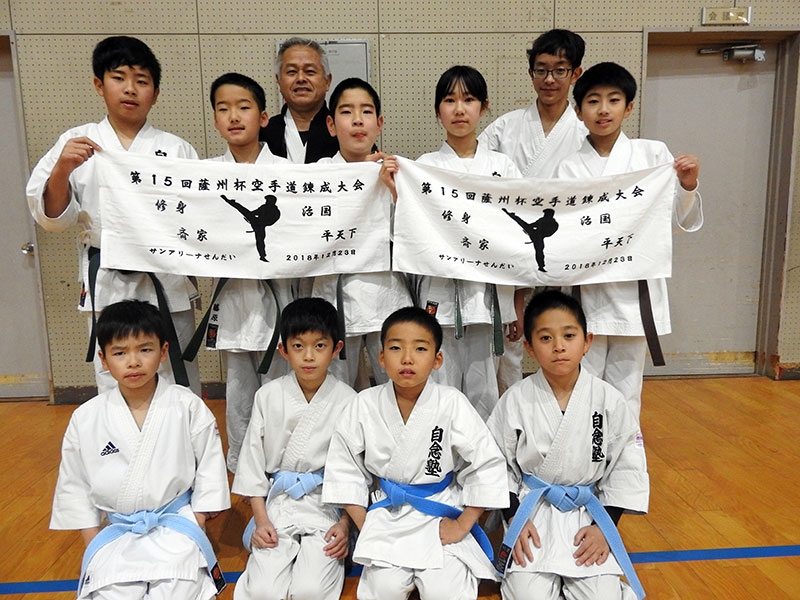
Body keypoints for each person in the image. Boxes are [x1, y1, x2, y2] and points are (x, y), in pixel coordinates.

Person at [26, 35, 201, 395]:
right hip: (108, 279)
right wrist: (61, 170)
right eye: (119, 78)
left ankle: (179, 448)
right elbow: (53, 219)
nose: (130, 89)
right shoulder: (76, 142)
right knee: (114, 377)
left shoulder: (176, 149)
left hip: (165, 278)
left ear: (155, 91)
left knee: (175, 377)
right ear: (99, 85)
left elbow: (200, 218)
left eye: (142, 81)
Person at [322, 306, 509, 600]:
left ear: (437, 360)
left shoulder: (451, 402)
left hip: (439, 509)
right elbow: (343, 468)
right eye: (396, 348)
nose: (407, 358)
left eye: (420, 348)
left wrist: (463, 524)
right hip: (387, 511)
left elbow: (486, 464)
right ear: (381, 357)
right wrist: (366, 525)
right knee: (382, 591)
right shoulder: (364, 404)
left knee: (445, 592)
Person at [50, 299, 230, 599]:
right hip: (117, 532)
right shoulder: (86, 417)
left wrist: (195, 523)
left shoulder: (186, 405)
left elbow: (210, 470)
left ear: (163, 352)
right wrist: (95, 543)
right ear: (104, 360)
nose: (133, 362)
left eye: (144, 350)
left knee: (185, 592)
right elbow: (74, 486)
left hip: (175, 526)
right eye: (120, 353)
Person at [555, 62, 703, 421]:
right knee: (583, 384)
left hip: (634, 291)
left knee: (626, 386)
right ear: (578, 111)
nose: (603, 110)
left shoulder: (652, 156)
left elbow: (676, 224)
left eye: (613, 100)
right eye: (593, 101)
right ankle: (583, 460)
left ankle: (624, 461)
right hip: (587, 291)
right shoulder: (569, 169)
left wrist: (687, 185)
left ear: (629, 107)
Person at [486, 290, 648, 600]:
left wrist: (605, 528)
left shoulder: (608, 400)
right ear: (529, 347)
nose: (559, 346)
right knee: (526, 596)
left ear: (587, 341)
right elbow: (496, 464)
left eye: (569, 335)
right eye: (546, 338)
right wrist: (513, 519)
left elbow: (627, 466)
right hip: (533, 514)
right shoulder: (516, 400)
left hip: (588, 514)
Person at [394, 65, 522, 420]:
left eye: (468, 99)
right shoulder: (424, 166)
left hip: (488, 298)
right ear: (438, 111)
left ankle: (484, 468)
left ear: (484, 106)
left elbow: (516, 238)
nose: (459, 109)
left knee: (485, 391)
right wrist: (396, 191)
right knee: (440, 389)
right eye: (449, 100)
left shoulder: (503, 167)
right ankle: (443, 462)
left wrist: (518, 301)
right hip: (440, 296)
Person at [479, 28, 587, 395]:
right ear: (531, 74)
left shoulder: (588, 132)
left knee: (564, 346)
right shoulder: (503, 129)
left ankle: (564, 417)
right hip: (510, 255)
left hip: (567, 254)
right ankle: (508, 424)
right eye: (541, 70)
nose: (549, 79)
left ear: (577, 73)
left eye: (559, 70)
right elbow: (473, 181)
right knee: (509, 347)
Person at [232, 297, 355, 600]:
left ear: (336, 348)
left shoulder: (350, 400)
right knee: (263, 592)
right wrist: (261, 520)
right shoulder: (268, 396)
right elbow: (252, 464)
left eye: (320, 346)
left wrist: (345, 524)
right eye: (298, 347)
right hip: (278, 504)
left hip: (328, 504)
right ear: (283, 350)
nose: (309, 356)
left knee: (309, 590)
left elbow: (357, 472)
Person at [200, 72, 292, 473]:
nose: (234, 116)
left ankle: (283, 464)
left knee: (280, 390)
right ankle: (241, 469)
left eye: (244, 107)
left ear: (264, 117)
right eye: (223, 109)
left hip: (279, 296)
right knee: (238, 391)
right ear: (216, 120)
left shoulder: (292, 174)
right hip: (233, 299)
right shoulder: (202, 177)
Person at [308, 77, 413, 388]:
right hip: (334, 298)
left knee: (395, 390)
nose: (357, 120)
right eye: (346, 111)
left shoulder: (400, 174)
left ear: (379, 124)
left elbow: (419, 238)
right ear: (330, 124)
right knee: (334, 394)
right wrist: (356, 179)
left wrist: (396, 193)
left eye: (366, 112)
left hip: (386, 297)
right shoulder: (314, 176)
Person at [260, 37, 339, 163]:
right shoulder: (263, 133)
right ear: (278, 81)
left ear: (327, 81)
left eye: (310, 71)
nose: (301, 78)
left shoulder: (345, 132)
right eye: (292, 72)